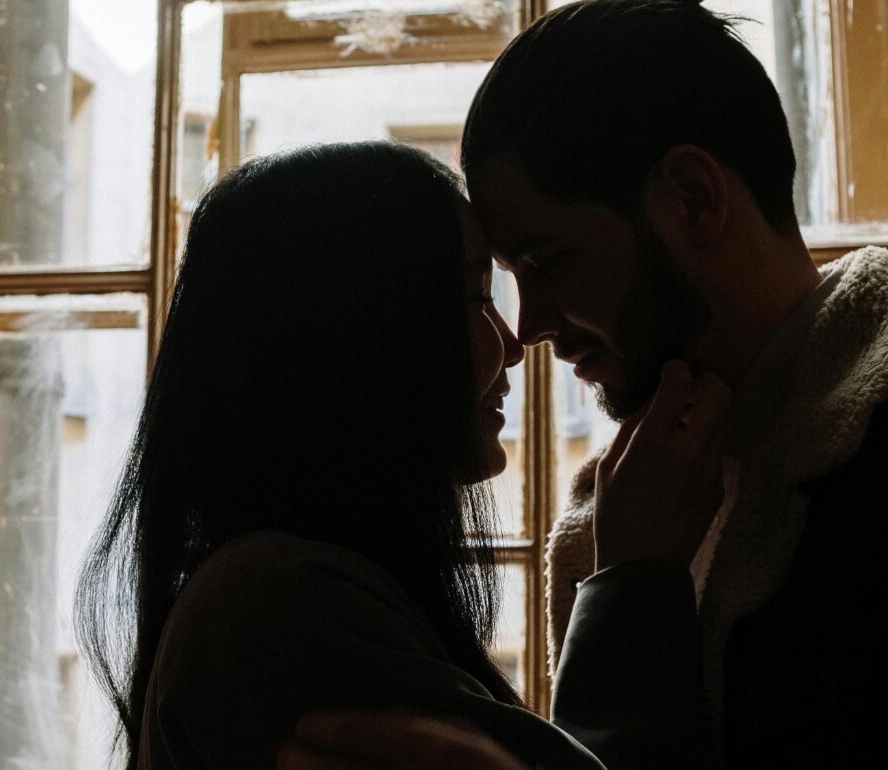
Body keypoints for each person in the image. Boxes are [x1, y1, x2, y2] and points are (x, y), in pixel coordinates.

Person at [281, 1, 888, 768]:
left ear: (694, 199)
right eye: (503, 281)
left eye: (550, 262)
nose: (528, 328)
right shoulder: (627, 507)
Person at [76, 141, 634, 770]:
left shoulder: (281, 591)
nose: (513, 344)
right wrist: (633, 579)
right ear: (367, 338)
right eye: (478, 298)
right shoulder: (281, 613)